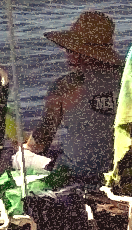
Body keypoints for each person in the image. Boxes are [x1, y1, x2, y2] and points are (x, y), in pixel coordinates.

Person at [24, 11, 124, 179]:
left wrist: (23, 147)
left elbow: (40, 143)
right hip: (121, 167)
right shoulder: (129, 79)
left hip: (78, 172)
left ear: (78, 52)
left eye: (69, 48)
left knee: (18, 157)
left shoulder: (65, 86)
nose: (66, 52)